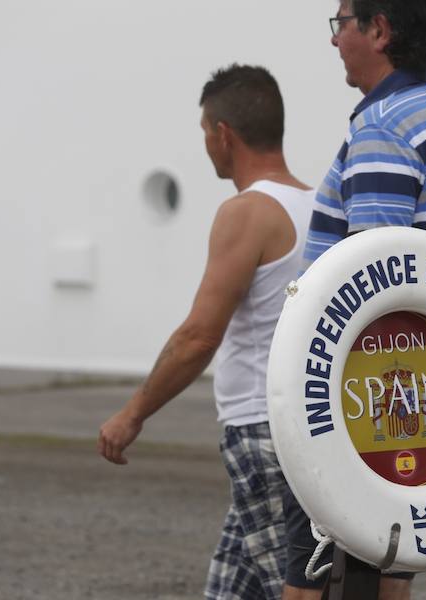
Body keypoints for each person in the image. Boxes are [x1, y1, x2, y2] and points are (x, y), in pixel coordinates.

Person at [284, 1, 426, 598]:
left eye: (341, 23)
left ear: (379, 31)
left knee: (309, 578)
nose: (334, 40)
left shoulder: (384, 126)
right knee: (393, 566)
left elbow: (369, 282)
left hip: (361, 400)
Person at [97, 64, 314, 600]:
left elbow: (198, 335)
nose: (205, 146)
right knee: (230, 588)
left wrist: (133, 413)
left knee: (293, 587)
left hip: (262, 431)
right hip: (302, 424)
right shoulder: (318, 205)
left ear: (224, 135)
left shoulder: (246, 213)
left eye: (203, 132)